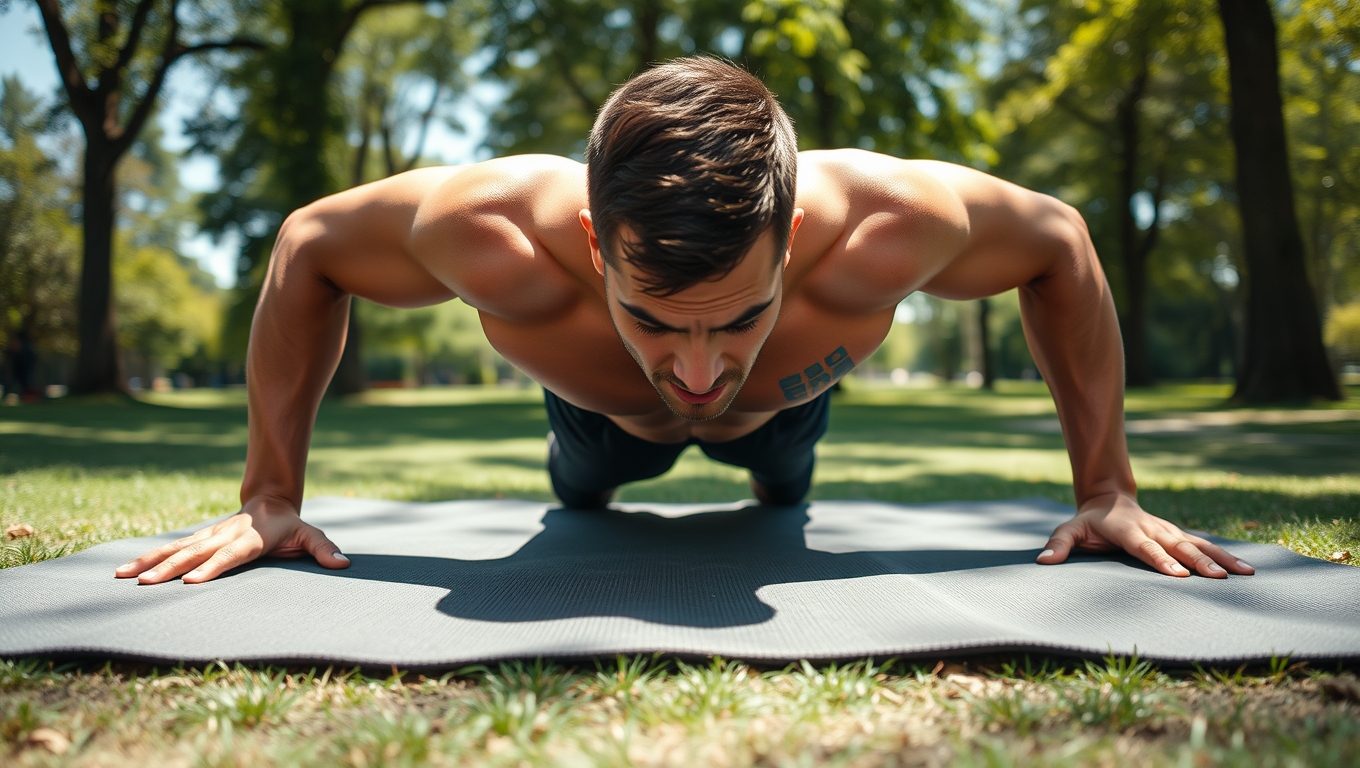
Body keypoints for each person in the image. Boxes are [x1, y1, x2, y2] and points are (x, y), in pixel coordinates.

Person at [117, 57, 1253, 586]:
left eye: (741, 315)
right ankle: (605, 460)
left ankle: (774, 471)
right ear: (596, 247)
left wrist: (1106, 486)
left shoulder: (894, 228)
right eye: (658, 320)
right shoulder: (491, 235)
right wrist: (270, 496)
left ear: (797, 239)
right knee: (585, 491)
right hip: (593, 424)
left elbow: (1056, 238)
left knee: (778, 473)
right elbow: (311, 243)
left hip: (793, 412)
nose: (700, 369)